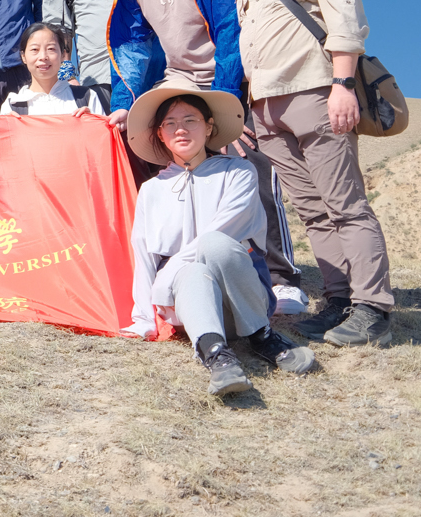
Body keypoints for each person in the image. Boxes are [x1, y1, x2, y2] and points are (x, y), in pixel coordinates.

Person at [106, 0, 299, 290]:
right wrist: (124, 101)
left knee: (250, 161)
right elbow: (132, 44)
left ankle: (280, 276)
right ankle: (180, 268)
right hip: (178, 80)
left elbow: (231, 29)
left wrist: (227, 105)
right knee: (153, 155)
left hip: (226, 76)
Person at [232, 0, 394, 348]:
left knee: (346, 205)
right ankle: (339, 300)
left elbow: (346, 22)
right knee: (313, 212)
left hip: (316, 90)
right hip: (266, 105)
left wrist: (343, 85)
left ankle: (373, 307)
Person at [122, 83, 319, 396]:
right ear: (160, 134)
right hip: (191, 306)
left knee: (214, 243)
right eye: (170, 123)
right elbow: (144, 253)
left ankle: (262, 336)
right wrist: (144, 317)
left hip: (245, 296)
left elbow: (225, 230)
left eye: (190, 120)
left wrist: (167, 275)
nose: (180, 129)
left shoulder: (238, 172)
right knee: (191, 271)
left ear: (209, 126)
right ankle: (217, 356)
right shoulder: (151, 190)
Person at [0, 24, 105, 115]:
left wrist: (92, 122)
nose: (43, 57)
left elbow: (103, 133)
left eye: (51, 49)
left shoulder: (86, 97)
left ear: (63, 54)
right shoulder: (13, 105)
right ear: (23, 56)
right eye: (35, 49)